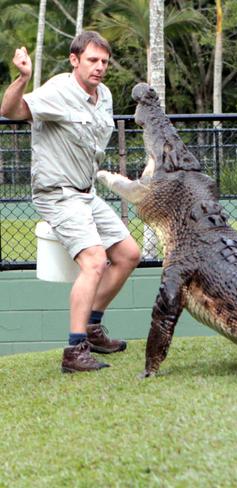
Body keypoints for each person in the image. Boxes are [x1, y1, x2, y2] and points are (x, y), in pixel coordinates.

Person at [0, 31, 141, 372]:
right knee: (94, 262)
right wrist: (23, 77)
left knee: (128, 254)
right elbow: (10, 110)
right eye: (92, 60)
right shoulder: (58, 90)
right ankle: (74, 351)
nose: (100, 67)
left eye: (105, 61)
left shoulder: (103, 96)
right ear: (75, 60)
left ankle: (92, 326)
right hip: (57, 194)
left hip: (86, 193)